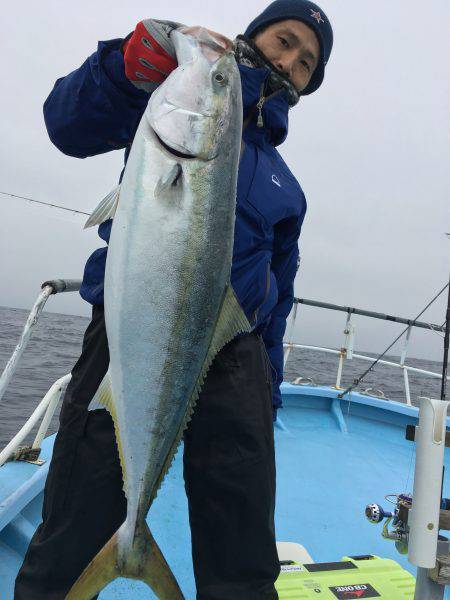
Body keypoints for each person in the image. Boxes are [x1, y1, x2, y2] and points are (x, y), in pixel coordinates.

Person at [15, 1, 333, 598]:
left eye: (306, 61)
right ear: (255, 34)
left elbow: (279, 295)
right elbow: (66, 124)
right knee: (73, 522)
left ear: (309, 83)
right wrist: (126, 66)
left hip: (236, 356)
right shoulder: (165, 103)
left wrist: (269, 383)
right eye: (284, 40)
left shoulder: (285, 186)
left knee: (242, 544)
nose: (289, 60)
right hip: (130, 331)